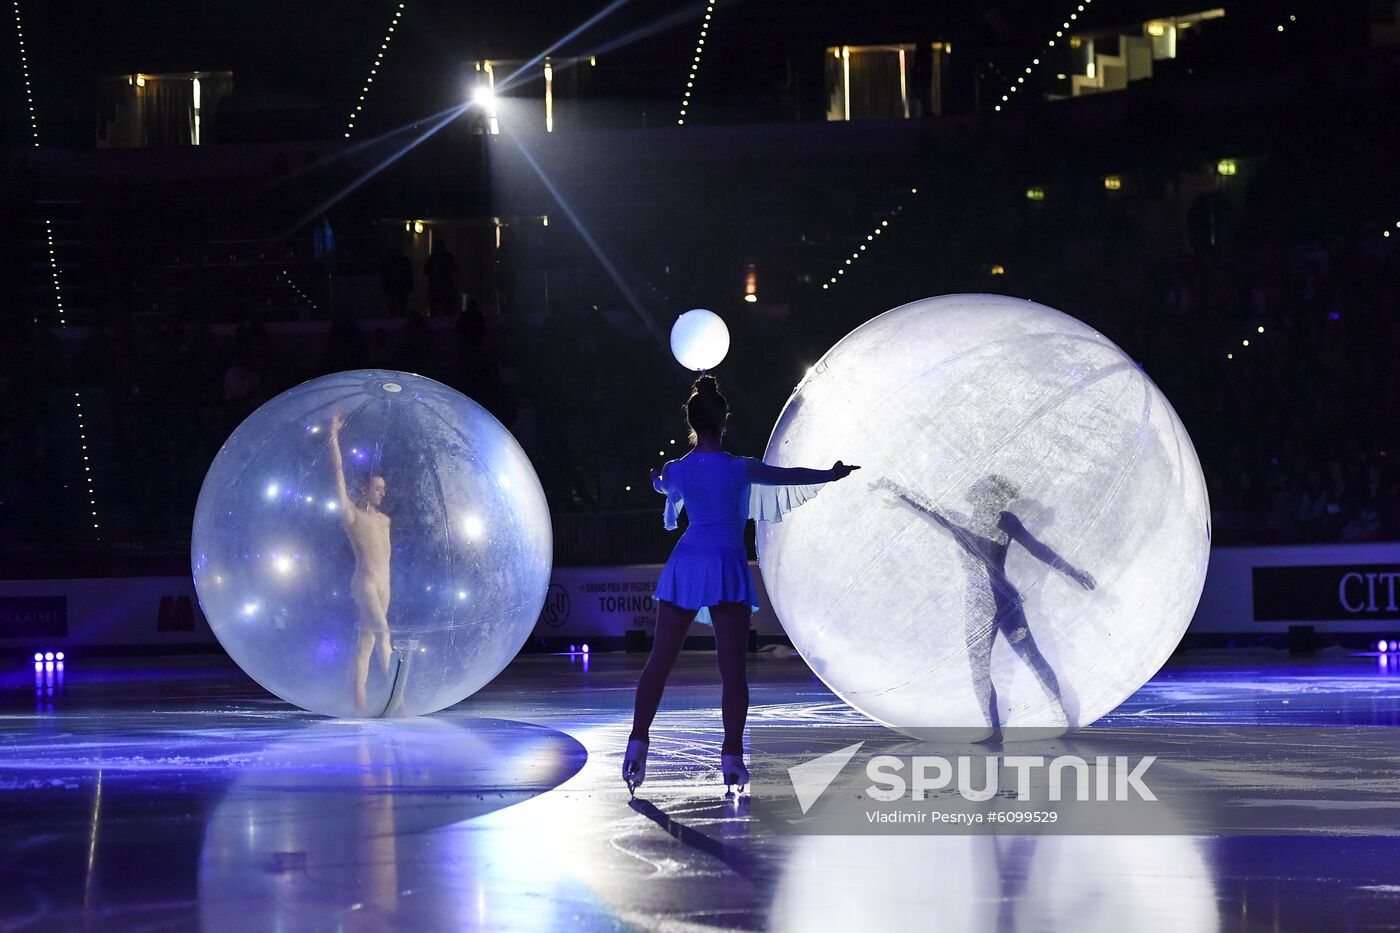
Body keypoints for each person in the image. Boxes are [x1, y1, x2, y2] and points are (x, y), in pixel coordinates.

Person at [623, 376, 860, 796]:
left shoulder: (679, 470)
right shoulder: (740, 467)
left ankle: (636, 746)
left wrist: (657, 479)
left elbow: (662, 484)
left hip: (688, 560)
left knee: (659, 662)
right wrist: (831, 473)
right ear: (724, 421)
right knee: (732, 672)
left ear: (693, 423)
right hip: (726, 563)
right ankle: (732, 760)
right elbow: (789, 476)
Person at [876, 475, 1095, 742]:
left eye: (996, 497)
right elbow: (928, 508)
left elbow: (1037, 548)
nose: (993, 501)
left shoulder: (1004, 521)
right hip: (986, 603)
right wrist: (898, 492)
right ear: (978, 498)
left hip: (998, 602)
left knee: (1028, 656)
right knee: (984, 667)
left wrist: (1072, 571)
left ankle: (1057, 713)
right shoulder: (965, 522)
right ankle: (994, 729)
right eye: (989, 496)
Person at [328, 413, 394, 714]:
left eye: (383, 487)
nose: (382, 492)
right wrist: (333, 434)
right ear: (364, 490)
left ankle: (359, 697)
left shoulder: (385, 520)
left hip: (383, 584)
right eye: (377, 488)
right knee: (382, 632)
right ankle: (397, 693)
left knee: (368, 640)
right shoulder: (353, 515)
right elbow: (338, 472)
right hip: (365, 582)